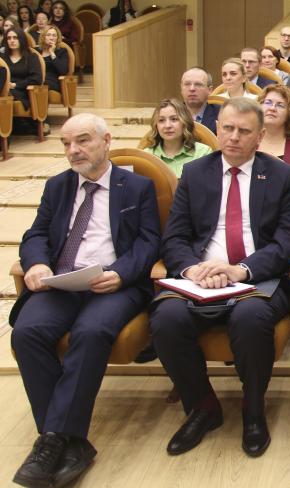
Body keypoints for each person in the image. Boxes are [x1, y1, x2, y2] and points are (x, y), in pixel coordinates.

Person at [11, 113, 160, 488]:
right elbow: (36, 234)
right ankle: (66, 441)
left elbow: (148, 243)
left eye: (82, 141)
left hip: (113, 284)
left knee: (91, 333)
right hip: (62, 282)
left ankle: (51, 443)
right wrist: (37, 263)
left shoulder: (137, 187)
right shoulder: (58, 186)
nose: (73, 150)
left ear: (106, 141)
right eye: (66, 143)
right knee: (26, 333)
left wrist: (121, 273)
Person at [151, 97, 290, 458]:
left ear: (260, 136)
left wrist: (241, 270)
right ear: (217, 129)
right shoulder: (195, 173)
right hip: (199, 277)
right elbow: (174, 237)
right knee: (165, 319)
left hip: (255, 278)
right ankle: (203, 407)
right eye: (228, 128)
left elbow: (288, 241)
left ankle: (253, 409)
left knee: (250, 318)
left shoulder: (281, 175)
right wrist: (192, 270)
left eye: (244, 131)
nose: (234, 137)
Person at [143, 98, 212, 177]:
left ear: (185, 122)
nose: (167, 126)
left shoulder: (203, 153)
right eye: (161, 120)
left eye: (174, 119)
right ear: (156, 125)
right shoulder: (146, 156)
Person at [3, 27, 43, 109]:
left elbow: (36, 79)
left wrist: (15, 85)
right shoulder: (3, 57)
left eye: (15, 38)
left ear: (21, 39)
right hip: (4, 89)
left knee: (7, 94)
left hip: (22, 91)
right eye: (9, 38)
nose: (12, 41)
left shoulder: (32, 57)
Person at [180, 67, 219, 133]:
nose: (192, 89)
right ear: (181, 89)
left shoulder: (221, 115)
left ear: (209, 90)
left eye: (198, 84)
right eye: (187, 84)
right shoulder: (173, 114)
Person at [35, 26, 70, 94]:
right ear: (43, 37)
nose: (51, 38)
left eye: (54, 36)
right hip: (36, 79)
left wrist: (52, 53)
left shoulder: (62, 51)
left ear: (57, 38)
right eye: (48, 35)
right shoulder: (36, 51)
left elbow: (63, 71)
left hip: (52, 82)